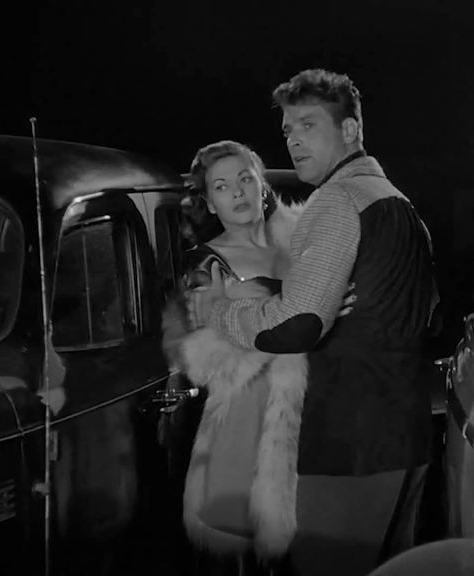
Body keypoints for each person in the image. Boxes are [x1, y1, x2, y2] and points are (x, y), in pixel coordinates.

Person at [187, 69, 439, 576]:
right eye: (288, 130)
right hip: (405, 436)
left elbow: (299, 323)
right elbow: (430, 317)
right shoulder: (398, 202)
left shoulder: (339, 200)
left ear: (350, 130)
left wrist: (222, 311)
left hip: (350, 444)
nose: (295, 140)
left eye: (309, 125)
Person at [162, 139, 315, 574]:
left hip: (316, 412)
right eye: (222, 186)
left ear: (261, 183)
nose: (237, 192)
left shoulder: (303, 242)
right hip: (246, 418)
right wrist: (283, 316)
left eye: (245, 178)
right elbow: (202, 359)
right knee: (246, 547)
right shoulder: (207, 264)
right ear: (210, 202)